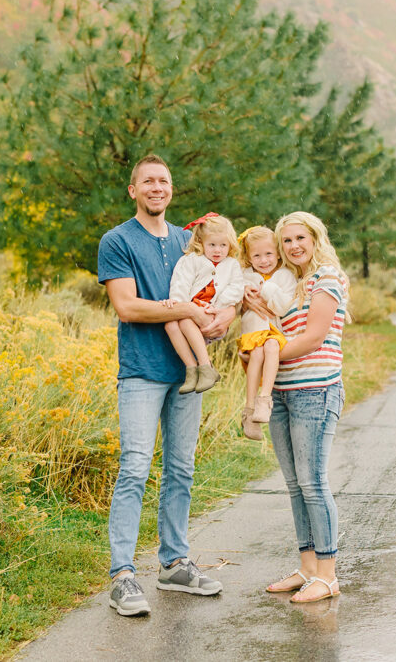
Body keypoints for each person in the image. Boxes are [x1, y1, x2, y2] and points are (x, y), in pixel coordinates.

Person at [97, 154, 235, 617]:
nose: (157, 187)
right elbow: (128, 307)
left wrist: (221, 316)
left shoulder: (189, 240)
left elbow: (224, 284)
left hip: (186, 373)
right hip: (140, 370)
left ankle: (174, 564)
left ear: (171, 190)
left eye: (164, 181)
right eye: (148, 181)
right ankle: (122, 575)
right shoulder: (117, 240)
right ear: (133, 190)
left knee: (181, 469)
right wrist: (189, 312)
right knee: (134, 469)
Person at [247, 211, 348, 604]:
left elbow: (314, 336)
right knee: (294, 485)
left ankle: (328, 574)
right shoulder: (288, 284)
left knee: (313, 482)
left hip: (315, 391)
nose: (293, 246)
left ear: (315, 238)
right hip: (283, 393)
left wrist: (267, 356)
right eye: (286, 240)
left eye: (300, 238)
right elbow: (277, 330)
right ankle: (307, 568)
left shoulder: (328, 277)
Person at [164, 213, 245, 394]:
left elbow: (237, 288)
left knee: (184, 321)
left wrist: (219, 306)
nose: (218, 250)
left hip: (214, 317)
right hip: (190, 312)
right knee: (170, 324)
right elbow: (180, 282)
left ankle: (206, 366)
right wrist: (178, 302)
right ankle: (192, 370)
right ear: (201, 242)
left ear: (230, 244)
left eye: (223, 245)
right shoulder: (191, 260)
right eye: (212, 245)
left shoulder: (231, 265)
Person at [236, 226, 296, 440]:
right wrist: (241, 292)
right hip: (252, 331)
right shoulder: (244, 276)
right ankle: (249, 409)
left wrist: (268, 288)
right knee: (258, 353)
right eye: (257, 255)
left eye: (269, 254)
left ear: (278, 252)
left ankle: (264, 401)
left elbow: (282, 308)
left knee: (270, 347)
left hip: (273, 331)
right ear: (249, 257)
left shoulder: (285, 276)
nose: (264, 260)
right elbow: (233, 304)